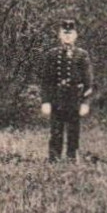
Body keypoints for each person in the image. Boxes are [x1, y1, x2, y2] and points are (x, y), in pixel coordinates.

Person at [39, 18, 94, 163]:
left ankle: (71, 158)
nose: (68, 36)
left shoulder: (82, 55)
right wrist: (45, 101)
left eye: (70, 33)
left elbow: (88, 82)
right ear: (60, 35)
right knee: (56, 131)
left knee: (73, 131)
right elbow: (45, 81)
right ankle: (54, 159)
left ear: (75, 35)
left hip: (74, 99)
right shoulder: (51, 55)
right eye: (65, 33)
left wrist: (85, 103)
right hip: (57, 99)